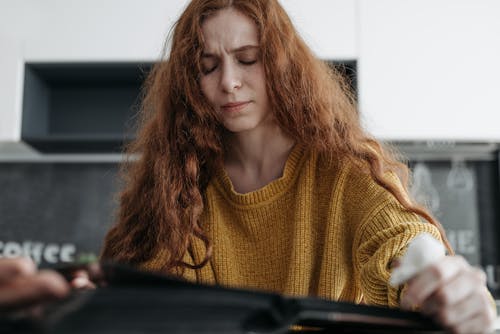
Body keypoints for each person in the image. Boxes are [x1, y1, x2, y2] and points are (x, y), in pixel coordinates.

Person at [0, 0, 496, 333]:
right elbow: (139, 303)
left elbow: (405, 246)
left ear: (281, 63)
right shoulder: (178, 190)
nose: (228, 83)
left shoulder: (345, 176)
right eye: (208, 66)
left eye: (248, 58)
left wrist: (458, 298)